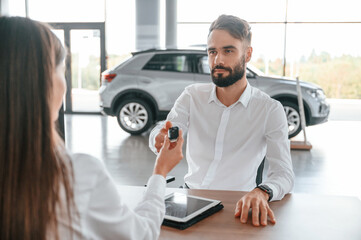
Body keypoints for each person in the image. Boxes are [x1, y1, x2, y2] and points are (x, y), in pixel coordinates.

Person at [0, 16, 183, 240]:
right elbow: (142, 234)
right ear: (45, 81)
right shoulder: (76, 175)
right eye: (62, 70)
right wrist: (160, 172)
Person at [149, 15, 294, 227]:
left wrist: (263, 191)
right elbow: (167, 129)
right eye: (212, 52)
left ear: (248, 54)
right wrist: (158, 138)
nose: (218, 60)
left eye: (228, 51)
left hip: (237, 204)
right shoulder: (192, 96)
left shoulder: (269, 110)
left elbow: (284, 173)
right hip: (189, 196)